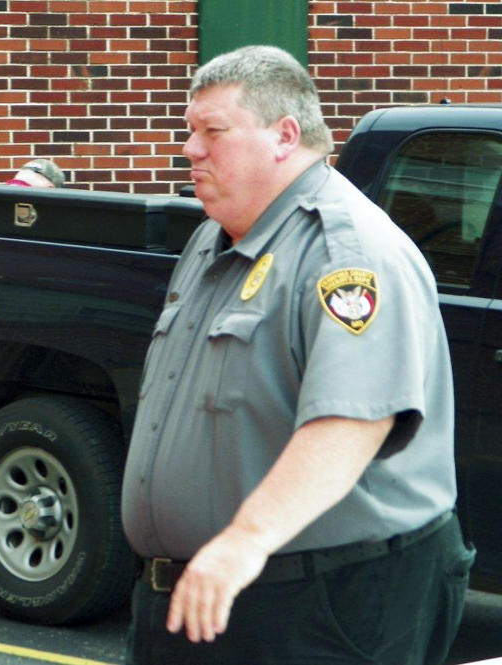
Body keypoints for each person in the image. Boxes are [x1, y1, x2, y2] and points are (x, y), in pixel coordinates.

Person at [121, 45, 473, 665]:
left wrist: (241, 543)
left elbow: (352, 422)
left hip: (320, 602)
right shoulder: (217, 237)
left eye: (213, 131)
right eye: (190, 131)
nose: (191, 149)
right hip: (204, 596)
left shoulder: (345, 253)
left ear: (285, 136)